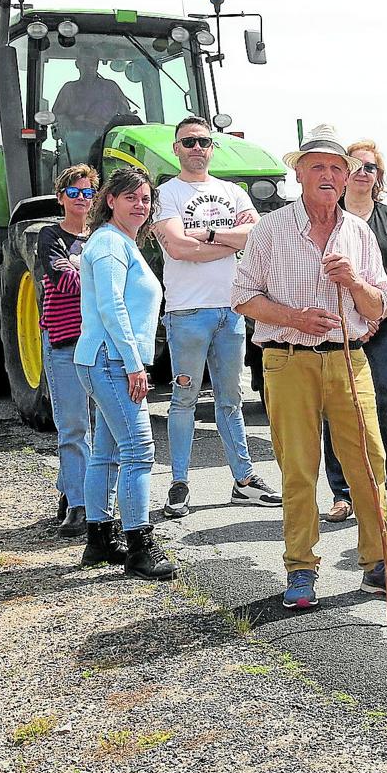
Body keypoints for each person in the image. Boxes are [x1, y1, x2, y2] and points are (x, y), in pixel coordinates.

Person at [231, 124, 387, 610]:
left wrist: (354, 281)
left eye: (337, 168)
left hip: (347, 357)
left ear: (347, 180)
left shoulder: (359, 232)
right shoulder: (270, 229)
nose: (328, 174)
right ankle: (300, 569)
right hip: (287, 360)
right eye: (317, 165)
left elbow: (379, 304)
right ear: (297, 173)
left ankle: (380, 563)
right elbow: (242, 298)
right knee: (299, 470)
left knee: (368, 462)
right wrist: (294, 317)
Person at [152, 116, 282, 519]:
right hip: (187, 311)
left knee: (231, 401)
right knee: (184, 399)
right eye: (188, 141)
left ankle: (244, 480)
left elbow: (256, 238)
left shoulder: (232, 192)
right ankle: (179, 483)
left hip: (231, 309)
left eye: (203, 142)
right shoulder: (165, 194)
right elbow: (176, 248)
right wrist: (228, 240)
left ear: (213, 148)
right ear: (176, 148)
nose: (196, 148)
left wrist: (204, 236)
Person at [74, 167, 174, 581]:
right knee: (139, 450)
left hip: (101, 357)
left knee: (108, 451)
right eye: (131, 197)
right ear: (110, 200)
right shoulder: (112, 245)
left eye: (146, 199)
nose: (140, 205)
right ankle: (139, 545)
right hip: (112, 359)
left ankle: (99, 538)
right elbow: (112, 306)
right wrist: (134, 363)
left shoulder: (114, 242)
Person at [322, 140, 387, 523]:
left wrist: (376, 313)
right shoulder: (328, 217)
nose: (363, 173)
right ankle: (342, 493)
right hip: (341, 330)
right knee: (338, 410)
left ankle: (377, 490)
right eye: (356, 166)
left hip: (386, 328)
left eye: (370, 168)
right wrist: (358, 317)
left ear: (379, 177)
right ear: (344, 173)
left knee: (380, 410)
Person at [37, 164, 98, 537]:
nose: (80, 199)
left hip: (101, 339)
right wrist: (99, 276)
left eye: (87, 193)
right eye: (73, 193)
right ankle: (79, 505)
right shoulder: (49, 235)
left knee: (100, 428)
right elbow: (64, 281)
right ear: (61, 197)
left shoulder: (106, 234)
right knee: (74, 424)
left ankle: (71, 488)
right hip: (64, 340)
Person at [52, 50, 133, 165]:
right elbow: (56, 115)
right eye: (85, 63)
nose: (89, 67)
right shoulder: (69, 89)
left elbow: (126, 114)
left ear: (97, 65)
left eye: (92, 64)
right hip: (78, 143)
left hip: (107, 140)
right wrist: (64, 119)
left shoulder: (110, 87)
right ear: (77, 64)